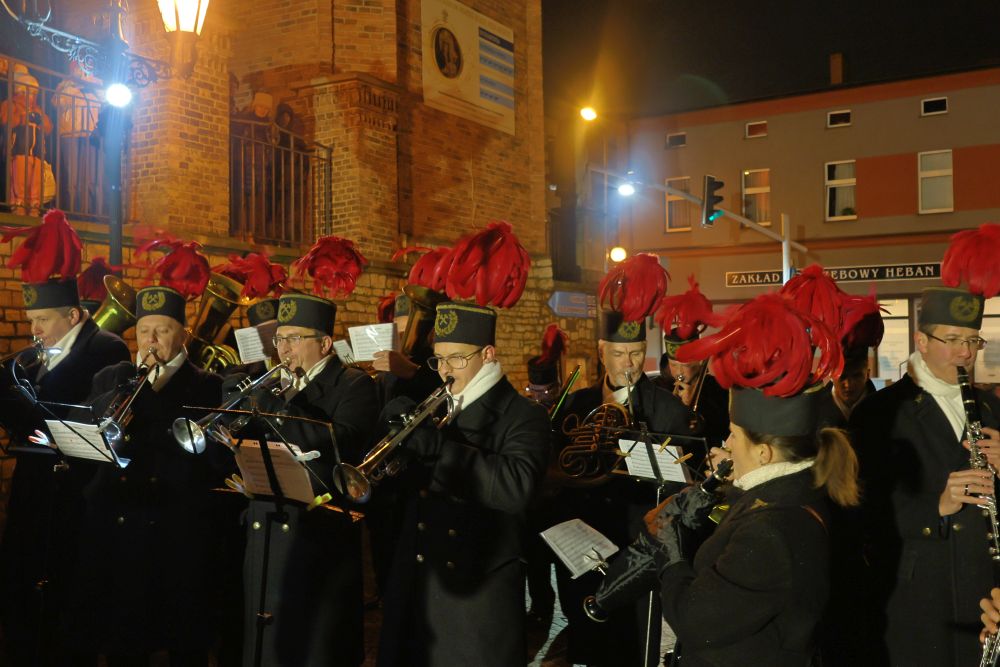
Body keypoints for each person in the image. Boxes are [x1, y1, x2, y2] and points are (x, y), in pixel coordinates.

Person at [643, 292, 860, 666]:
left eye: (734, 434)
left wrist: (672, 556)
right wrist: (708, 509)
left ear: (764, 453)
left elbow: (697, 621)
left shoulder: (772, 529)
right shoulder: (788, 493)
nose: (727, 443)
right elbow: (733, 534)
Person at [376, 301, 550, 667]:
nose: (444, 371)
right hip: (418, 588)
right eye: (438, 360)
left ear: (488, 354)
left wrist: (440, 448)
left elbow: (516, 488)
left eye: (456, 359)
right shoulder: (436, 406)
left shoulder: (522, 414)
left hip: (476, 597)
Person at [66, 273, 229, 665]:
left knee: (183, 639)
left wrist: (151, 399)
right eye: (144, 330)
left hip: (176, 531)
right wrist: (125, 388)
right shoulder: (113, 376)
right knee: (124, 639)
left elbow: (213, 460)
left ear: (183, 336)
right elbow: (84, 429)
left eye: (162, 330)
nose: (151, 340)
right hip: (119, 526)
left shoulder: (209, 385)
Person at [0, 210, 130, 666]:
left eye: (42, 320)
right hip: (35, 480)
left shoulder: (106, 348)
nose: (34, 331)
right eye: (30, 320)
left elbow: (86, 412)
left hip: (76, 486)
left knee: (70, 583)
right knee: (24, 574)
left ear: (73, 315)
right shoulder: (31, 357)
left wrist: (22, 404)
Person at [851, 284, 1000, 665]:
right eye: (952, 340)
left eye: (972, 341)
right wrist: (937, 504)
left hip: (986, 589)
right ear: (921, 339)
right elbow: (864, 511)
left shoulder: (991, 406)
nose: (965, 352)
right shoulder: (879, 412)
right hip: (919, 594)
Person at [238, 291, 378, 667]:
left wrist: (280, 412)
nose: (284, 348)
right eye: (280, 339)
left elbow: (342, 444)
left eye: (294, 338)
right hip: (266, 524)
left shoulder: (353, 384)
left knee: (315, 645)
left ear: (325, 343)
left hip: (319, 533)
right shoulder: (269, 385)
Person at [1, 69, 52, 216]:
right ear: (20, 91)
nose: (32, 96)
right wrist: (24, 117)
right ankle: (18, 206)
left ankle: (34, 207)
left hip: (36, 153)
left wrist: (40, 119)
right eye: (28, 92)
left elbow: (48, 128)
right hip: (18, 151)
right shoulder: (12, 104)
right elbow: (6, 119)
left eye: (34, 93)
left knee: (35, 183)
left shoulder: (38, 109)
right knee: (19, 182)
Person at [53, 62, 101, 214]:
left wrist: (90, 85)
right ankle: (73, 211)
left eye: (85, 67)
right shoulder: (64, 85)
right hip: (70, 133)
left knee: (90, 177)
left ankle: (90, 212)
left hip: (90, 134)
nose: (82, 71)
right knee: (72, 178)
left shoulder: (96, 84)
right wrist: (75, 87)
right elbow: (57, 102)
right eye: (78, 68)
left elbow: (104, 99)